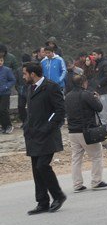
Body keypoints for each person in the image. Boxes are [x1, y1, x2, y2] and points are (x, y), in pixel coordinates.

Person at [21, 61, 67, 214]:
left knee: (42, 166)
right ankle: (42, 202)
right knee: (36, 169)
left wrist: (48, 127)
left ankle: (58, 196)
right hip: (33, 136)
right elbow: (31, 112)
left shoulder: (51, 87)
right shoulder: (30, 88)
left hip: (47, 135)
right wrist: (27, 127)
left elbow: (60, 110)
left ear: (32, 74)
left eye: (25, 73)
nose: (23, 76)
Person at [64, 74, 107, 192]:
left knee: (76, 158)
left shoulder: (68, 96)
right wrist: (96, 98)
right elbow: (99, 108)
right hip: (86, 130)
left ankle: (77, 184)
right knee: (96, 156)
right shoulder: (86, 94)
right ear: (84, 83)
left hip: (72, 131)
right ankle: (96, 181)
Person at [90, 49, 107, 127]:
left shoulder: (105, 64)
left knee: (103, 109)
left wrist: (99, 84)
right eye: (92, 55)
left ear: (100, 55)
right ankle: (97, 126)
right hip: (96, 91)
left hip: (104, 90)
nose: (93, 56)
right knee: (96, 109)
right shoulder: (97, 64)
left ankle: (104, 126)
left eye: (95, 55)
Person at [0, 55, 16, 134]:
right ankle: (3, 126)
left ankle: (9, 125)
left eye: (1, 60)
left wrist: (6, 86)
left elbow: (13, 80)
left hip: (5, 93)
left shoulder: (7, 70)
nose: (0, 62)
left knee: (3, 109)